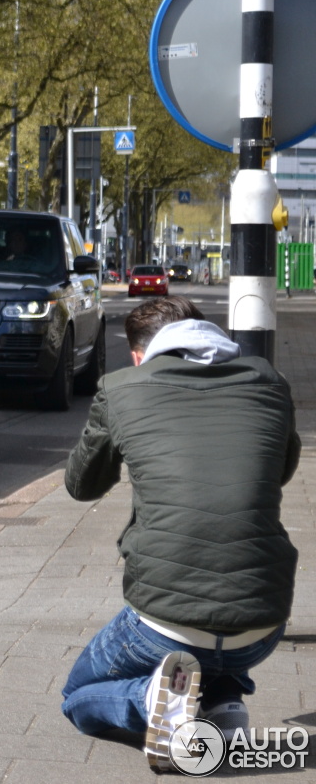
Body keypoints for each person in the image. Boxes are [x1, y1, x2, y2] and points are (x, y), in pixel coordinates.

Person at [60, 296, 300, 771]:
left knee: (77, 694)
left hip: (164, 627)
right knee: (214, 635)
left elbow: (80, 485)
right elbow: (283, 470)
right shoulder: (270, 382)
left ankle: (150, 701)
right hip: (262, 625)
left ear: (138, 354)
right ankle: (224, 703)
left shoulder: (121, 387)